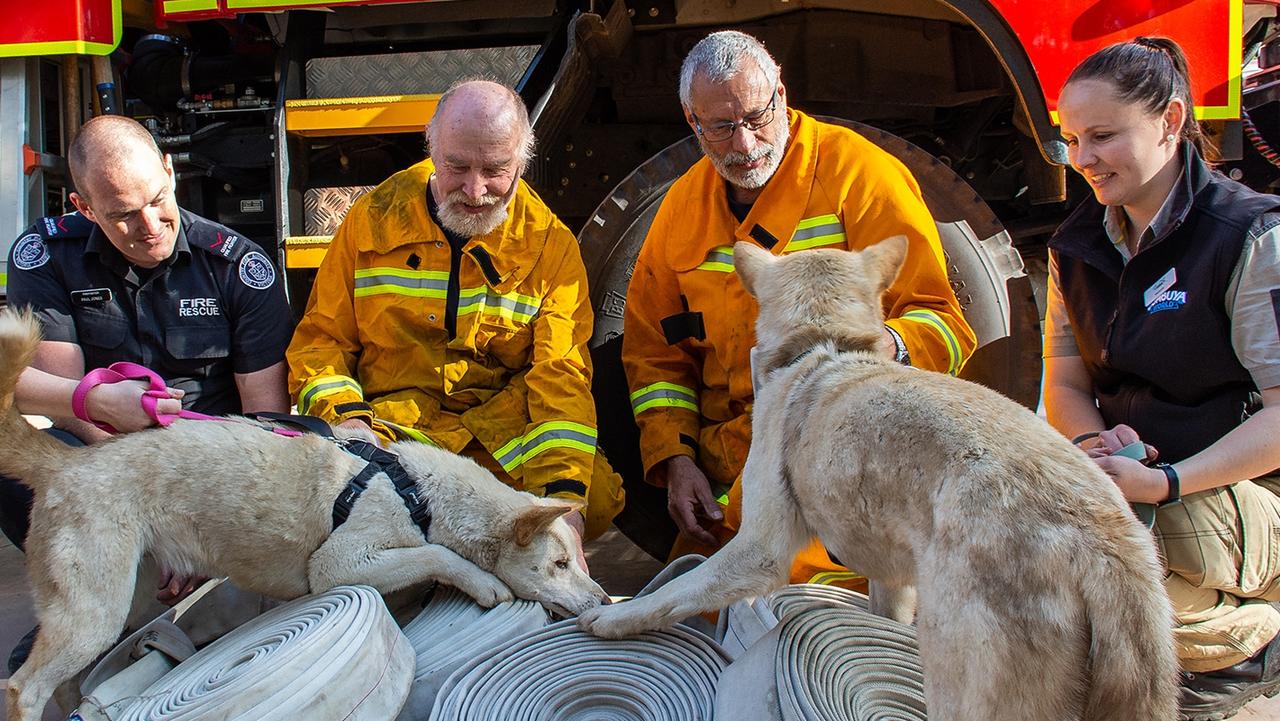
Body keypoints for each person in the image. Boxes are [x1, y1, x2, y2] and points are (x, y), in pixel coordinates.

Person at [622, 31, 976, 588]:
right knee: (695, 625)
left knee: (819, 630)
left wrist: (880, 350)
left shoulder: (861, 177)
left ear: (781, 94)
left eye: (758, 117)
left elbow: (943, 321)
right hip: (728, 468)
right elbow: (653, 354)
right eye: (720, 127)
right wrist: (676, 461)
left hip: (845, 453)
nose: (744, 143)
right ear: (692, 122)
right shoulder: (680, 211)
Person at [3, 114, 293, 669]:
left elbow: (267, 428)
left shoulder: (236, 266)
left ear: (170, 171)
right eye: (122, 215)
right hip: (98, 458)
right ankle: (98, 598)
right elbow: (60, 399)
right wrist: (95, 404)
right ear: (83, 208)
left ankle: (119, 608)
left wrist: (191, 526)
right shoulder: (45, 255)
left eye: (158, 199)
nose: (151, 225)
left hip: (212, 474)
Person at [287, 80, 624, 554]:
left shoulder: (550, 244)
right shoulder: (373, 219)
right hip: (392, 433)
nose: (474, 189)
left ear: (523, 163)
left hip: (495, 438)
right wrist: (350, 426)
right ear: (431, 150)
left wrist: (564, 509)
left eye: (495, 169)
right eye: (458, 166)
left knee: (597, 497)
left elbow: (560, 381)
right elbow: (321, 345)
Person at [1047, 37, 1280, 720]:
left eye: (1102, 136)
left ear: (1171, 121)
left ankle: (1244, 643)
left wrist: (1165, 481)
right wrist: (1095, 445)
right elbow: (1062, 386)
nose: (1081, 159)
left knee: (1107, 542)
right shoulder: (1074, 244)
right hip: (1141, 483)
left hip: (1239, 492)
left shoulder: (1248, 237)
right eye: (1070, 139)